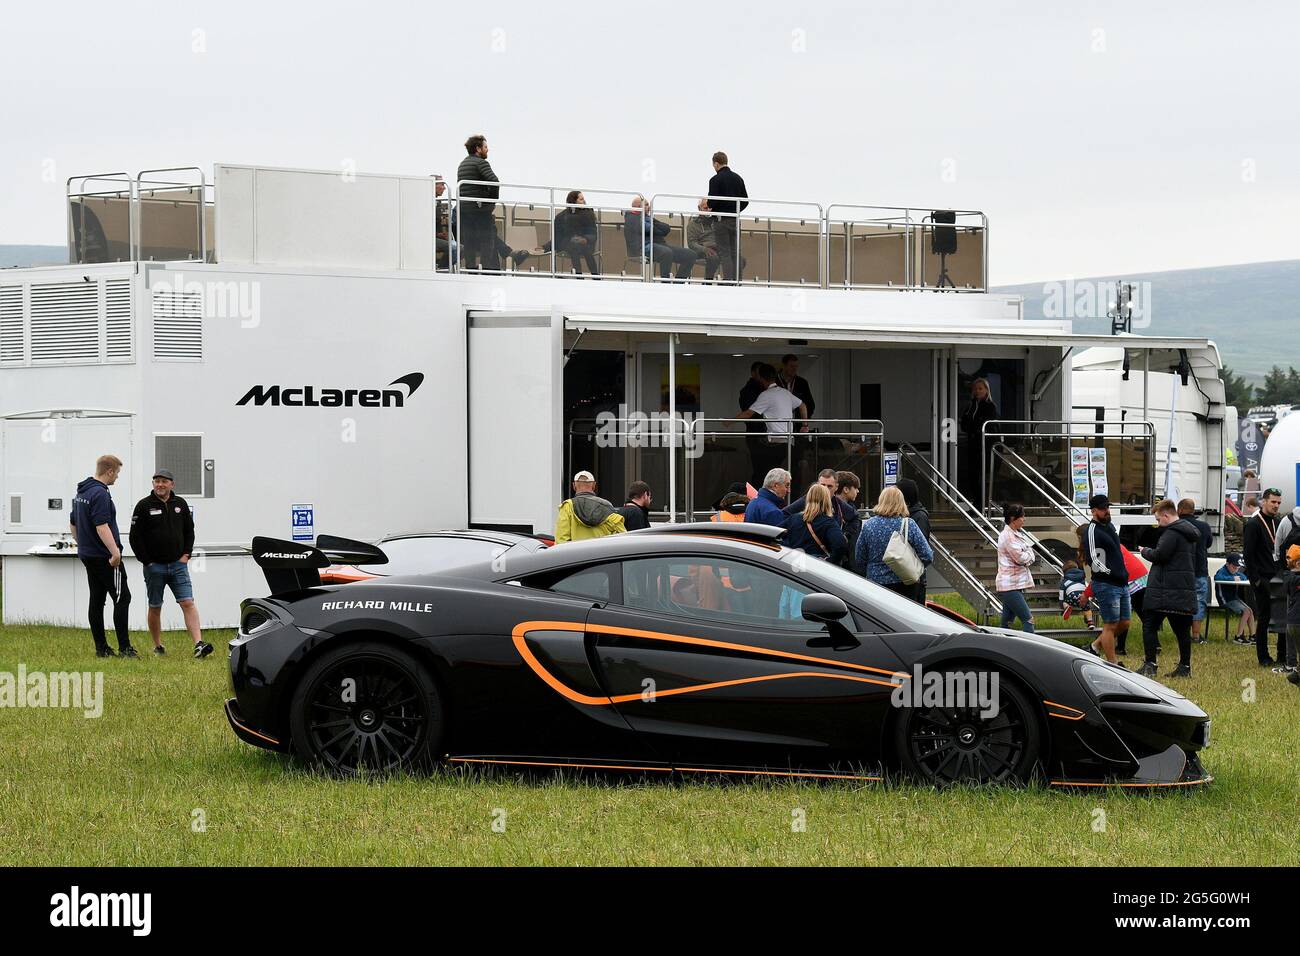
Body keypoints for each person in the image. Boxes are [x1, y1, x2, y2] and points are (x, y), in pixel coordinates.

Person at [128, 469, 213, 659]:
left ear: (172, 484)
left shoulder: (180, 504)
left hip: (178, 565)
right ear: (153, 484)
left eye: (164, 481)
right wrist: (147, 561)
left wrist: (186, 554)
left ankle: (199, 644)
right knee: (155, 606)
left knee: (188, 602)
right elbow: (135, 537)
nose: (160, 484)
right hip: (154, 567)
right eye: (157, 481)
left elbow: (189, 531)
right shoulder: (143, 506)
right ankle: (158, 646)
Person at [69, 454, 137, 658]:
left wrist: (82, 543)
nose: (117, 477)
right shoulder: (100, 494)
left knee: (97, 600)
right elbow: (102, 526)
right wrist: (115, 552)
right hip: (105, 557)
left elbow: (73, 523)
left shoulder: (82, 492)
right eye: (117, 473)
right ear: (109, 471)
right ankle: (125, 649)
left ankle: (102, 648)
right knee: (122, 597)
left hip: (88, 555)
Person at [1137, 499, 1200, 678]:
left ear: (1166, 515)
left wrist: (1145, 551)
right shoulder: (1189, 532)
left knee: (1149, 625)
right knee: (1182, 631)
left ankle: (1150, 664)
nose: (1158, 524)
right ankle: (1185, 667)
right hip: (1183, 588)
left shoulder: (1171, 533)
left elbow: (1160, 555)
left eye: (1158, 520)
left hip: (1164, 589)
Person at [455, 134, 531, 272]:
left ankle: (470, 270)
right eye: (485, 147)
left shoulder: (462, 164)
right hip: (479, 209)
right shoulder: (481, 163)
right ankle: (487, 270)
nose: (487, 150)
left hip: (465, 210)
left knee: (470, 242)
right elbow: (494, 182)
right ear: (478, 149)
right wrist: (491, 202)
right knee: (487, 240)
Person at [737, 363, 808, 489]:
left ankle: (761, 498)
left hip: (775, 442)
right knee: (788, 473)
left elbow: (748, 413)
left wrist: (728, 421)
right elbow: (802, 405)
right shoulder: (785, 393)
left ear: (761, 378)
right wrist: (805, 425)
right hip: (790, 441)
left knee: (764, 473)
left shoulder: (766, 395)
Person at [856, 486, 932, 600]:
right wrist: (915, 568)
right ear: (901, 502)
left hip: (876, 583)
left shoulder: (868, 525)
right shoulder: (908, 524)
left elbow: (859, 558)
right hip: (905, 582)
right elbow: (927, 555)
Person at [1082, 494, 1129, 662]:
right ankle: (1113, 662)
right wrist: (1111, 573)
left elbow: (1117, 552)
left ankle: (1094, 647)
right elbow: (1094, 560)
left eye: (1108, 507)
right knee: (1110, 625)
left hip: (1122, 582)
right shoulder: (1092, 530)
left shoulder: (1109, 527)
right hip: (1107, 584)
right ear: (1093, 511)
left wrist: (1123, 572)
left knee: (1125, 623)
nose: (1107, 511)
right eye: (1103, 508)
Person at [1243, 487, 1285, 666]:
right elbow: (1248, 555)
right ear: (1264, 501)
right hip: (1263, 578)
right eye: (1273, 502)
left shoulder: (1278, 521)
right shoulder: (1253, 524)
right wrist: (1257, 581)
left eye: (1278, 502)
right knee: (1265, 617)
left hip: (1278, 576)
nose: (1276, 505)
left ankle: (1283, 656)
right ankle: (1264, 657)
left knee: (1283, 616)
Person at [625, 195, 697, 280]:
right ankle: (665, 283)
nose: (649, 207)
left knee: (691, 255)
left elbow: (666, 228)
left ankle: (678, 283)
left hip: (660, 245)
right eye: (646, 205)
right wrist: (656, 228)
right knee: (666, 253)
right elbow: (649, 229)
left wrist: (654, 225)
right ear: (637, 207)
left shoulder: (648, 218)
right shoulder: (631, 218)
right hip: (643, 248)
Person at [705, 151, 748, 282]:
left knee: (725, 253)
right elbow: (745, 201)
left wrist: (712, 206)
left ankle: (728, 281)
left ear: (716, 164)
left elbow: (712, 202)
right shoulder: (738, 178)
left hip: (721, 220)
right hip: (735, 220)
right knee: (736, 252)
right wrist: (735, 211)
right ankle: (738, 280)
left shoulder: (715, 180)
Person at [995, 502, 1037, 632]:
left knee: (1006, 623)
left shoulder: (1014, 533)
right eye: (1022, 517)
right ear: (1013, 518)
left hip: (1013, 584)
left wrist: (1028, 554)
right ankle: (1030, 650)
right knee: (1028, 620)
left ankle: (1002, 647)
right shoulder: (1008, 536)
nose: (1024, 520)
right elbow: (1020, 558)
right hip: (1010, 585)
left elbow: (1027, 553)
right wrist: (1030, 555)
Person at [1178, 498, 1214, 644]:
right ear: (1193, 510)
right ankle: (1196, 635)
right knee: (1199, 602)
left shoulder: (1177, 525)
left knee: (1181, 603)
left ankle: (1181, 633)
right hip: (1199, 570)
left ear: (1179, 510)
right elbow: (1209, 544)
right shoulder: (1204, 526)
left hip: (1181, 571)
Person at [783, 484, 847, 564]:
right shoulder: (828, 522)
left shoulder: (793, 519)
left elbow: (775, 534)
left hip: (794, 565)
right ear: (826, 500)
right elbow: (840, 545)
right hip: (817, 568)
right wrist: (829, 562)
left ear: (808, 498)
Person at [555, 471, 626, 543]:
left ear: (574, 485)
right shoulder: (606, 506)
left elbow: (561, 540)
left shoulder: (567, 506)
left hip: (577, 553)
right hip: (602, 553)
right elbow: (621, 535)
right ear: (594, 485)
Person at [958, 377, 998, 503]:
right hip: (972, 445)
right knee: (972, 476)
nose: (977, 391)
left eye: (980, 389)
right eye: (975, 389)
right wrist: (972, 426)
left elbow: (985, 424)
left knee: (981, 476)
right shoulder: (971, 405)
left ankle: (983, 505)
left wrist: (974, 426)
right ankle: (976, 503)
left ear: (986, 390)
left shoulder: (990, 406)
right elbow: (965, 424)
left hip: (984, 447)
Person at [543, 190, 599, 276]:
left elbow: (593, 232)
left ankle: (595, 276)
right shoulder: (561, 217)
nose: (583, 201)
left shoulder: (589, 214)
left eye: (583, 199)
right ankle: (579, 275)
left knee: (585, 248)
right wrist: (545, 247)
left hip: (585, 243)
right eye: (581, 199)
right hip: (567, 244)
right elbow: (557, 237)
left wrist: (586, 239)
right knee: (574, 247)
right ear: (573, 201)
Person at [895, 478, 932, 601]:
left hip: (915, 576)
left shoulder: (919, 516)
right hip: (905, 574)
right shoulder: (907, 514)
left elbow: (922, 549)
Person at [1214, 552, 1256, 644]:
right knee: (1246, 611)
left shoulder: (1235, 572)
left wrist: (1237, 577)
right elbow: (1217, 577)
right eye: (1234, 567)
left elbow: (1243, 577)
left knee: (1250, 611)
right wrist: (1232, 578)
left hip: (1234, 598)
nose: (1236, 570)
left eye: (1238, 568)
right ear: (1227, 564)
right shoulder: (1221, 571)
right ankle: (1238, 636)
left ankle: (1253, 635)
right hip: (1225, 599)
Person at [835, 471, 864, 574]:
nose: (857, 491)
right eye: (855, 488)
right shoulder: (844, 513)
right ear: (846, 489)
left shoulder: (851, 510)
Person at [776, 354, 816, 420]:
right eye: (791, 366)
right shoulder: (774, 381)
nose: (794, 369)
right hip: (778, 422)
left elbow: (810, 405)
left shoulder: (802, 383)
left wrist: (803, 421)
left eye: (796, 366)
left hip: (797, 423)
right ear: (783, 366)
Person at [1059, 560, 1097, 629]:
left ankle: (1067, 607)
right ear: (1077, 568)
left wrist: (1061, 604)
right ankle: (1090, 622)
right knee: (1087, 608)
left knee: (1065, 601)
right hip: (1083, 596)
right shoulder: (1082, 577)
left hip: (1072, 596)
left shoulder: (1065, 580)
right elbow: (1087, 586)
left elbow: (1061, 594)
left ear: (1064, 571)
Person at [1284, 544, 1300, 684]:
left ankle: (1296, 676)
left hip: (1292, 623)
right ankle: (1296, 676)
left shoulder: (1288, 577)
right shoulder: (1295, 579)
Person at [433, 175, 457, 268]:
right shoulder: (424, 202)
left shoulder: (437, 202)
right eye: (442, 184)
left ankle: (441, 267)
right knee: (455, 248)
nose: (444, 188)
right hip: (426, 239)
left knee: (459, 248)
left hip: (435, 237)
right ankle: (442, 269)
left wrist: (440, 234)